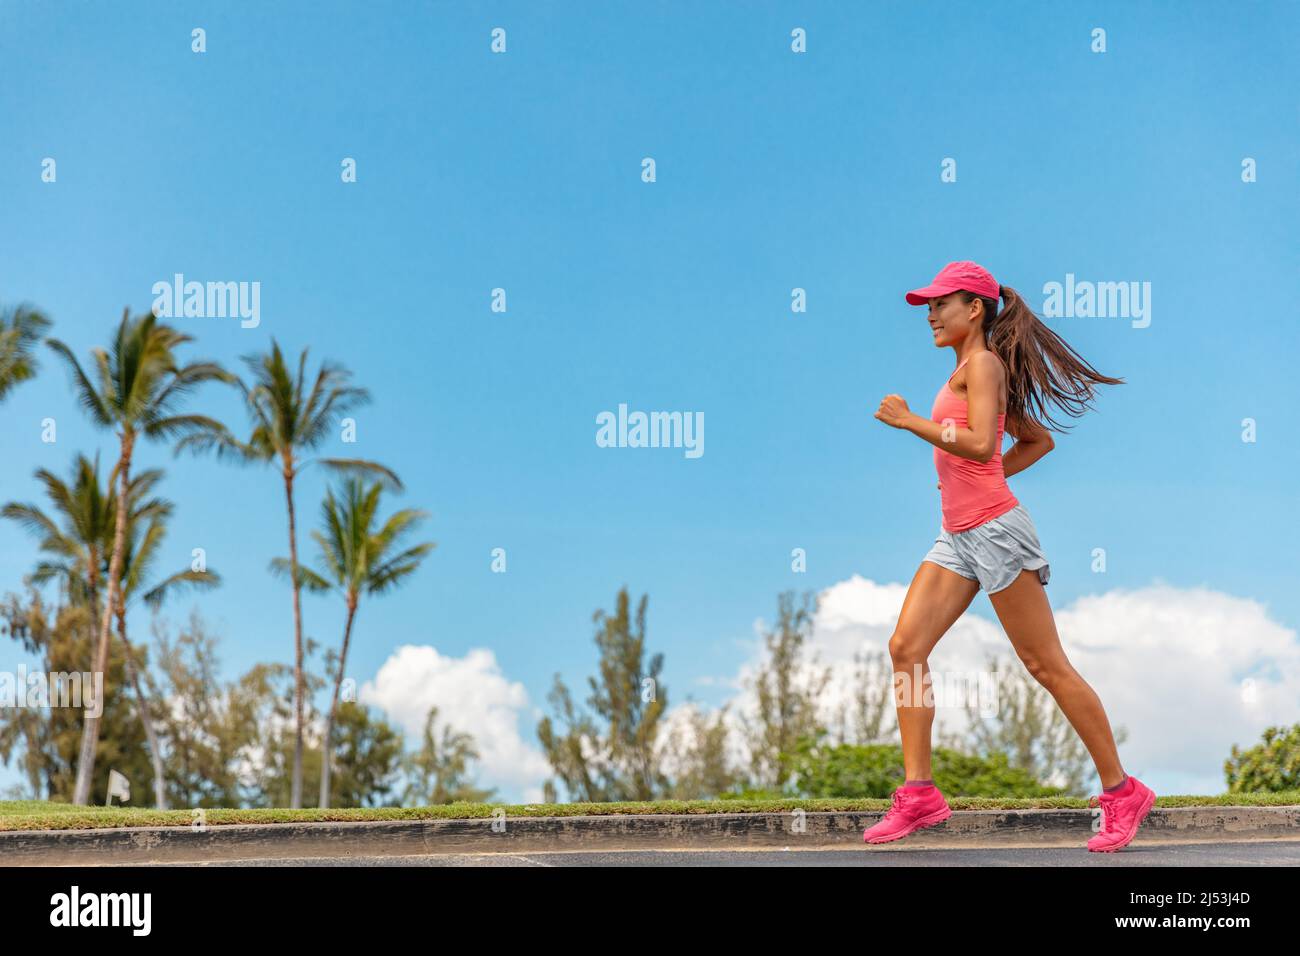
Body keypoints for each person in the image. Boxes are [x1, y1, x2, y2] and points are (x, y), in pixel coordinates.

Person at [863, 260, 1155, 852]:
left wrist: (910, 422)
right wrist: (978, 470)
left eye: (941, 304)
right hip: (958, 535)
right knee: (906, 648)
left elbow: (974, 444)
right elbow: (1030, 441)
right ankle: (919, 792)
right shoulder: (965, 374)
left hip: (996, 532)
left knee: (1046, 665)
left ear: (974, 308)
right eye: (927, 305)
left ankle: (1123, 792)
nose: (930, 314)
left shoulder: (985, 365)